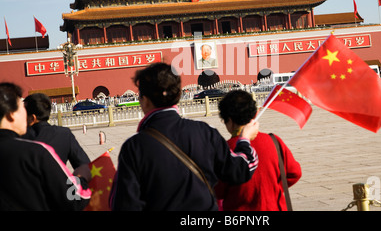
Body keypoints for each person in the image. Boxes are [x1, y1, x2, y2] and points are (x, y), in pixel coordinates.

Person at [109, 62, 259, 210]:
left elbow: (123, 205)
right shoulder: (204, 132)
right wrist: (244, 139)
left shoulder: (134, 147)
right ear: (178, 95)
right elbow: (240, 170)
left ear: (145, 100)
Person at [0, 82, 91, 210]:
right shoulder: (37, 151)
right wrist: (81, 179)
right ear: (11, 114)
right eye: (21, 108)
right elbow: (74, 198)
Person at [215, 90, 301, 211]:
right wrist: (273, 189)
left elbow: (218, 190)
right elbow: (295, 172)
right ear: (255, 114)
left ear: (229, 120)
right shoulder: (274, 141)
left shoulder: (225, 150)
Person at [23, 93, 91, 182]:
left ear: (32, 118)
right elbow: (84, 165)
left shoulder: (19, 138)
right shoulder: (63, 134)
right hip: (59, 190)